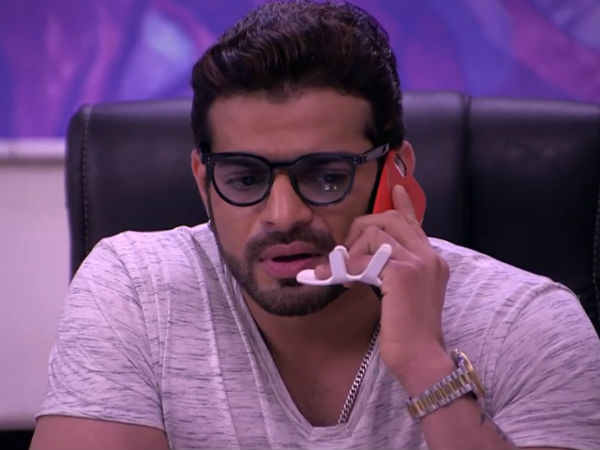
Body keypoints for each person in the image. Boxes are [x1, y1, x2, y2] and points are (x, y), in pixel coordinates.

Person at [31, 1, 600, 449]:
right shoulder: (135, 288)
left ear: (396, 172)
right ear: (203, 182)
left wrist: (426, 365)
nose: (283, 216)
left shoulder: (527, 323)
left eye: (326, 176)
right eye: (244, 178)